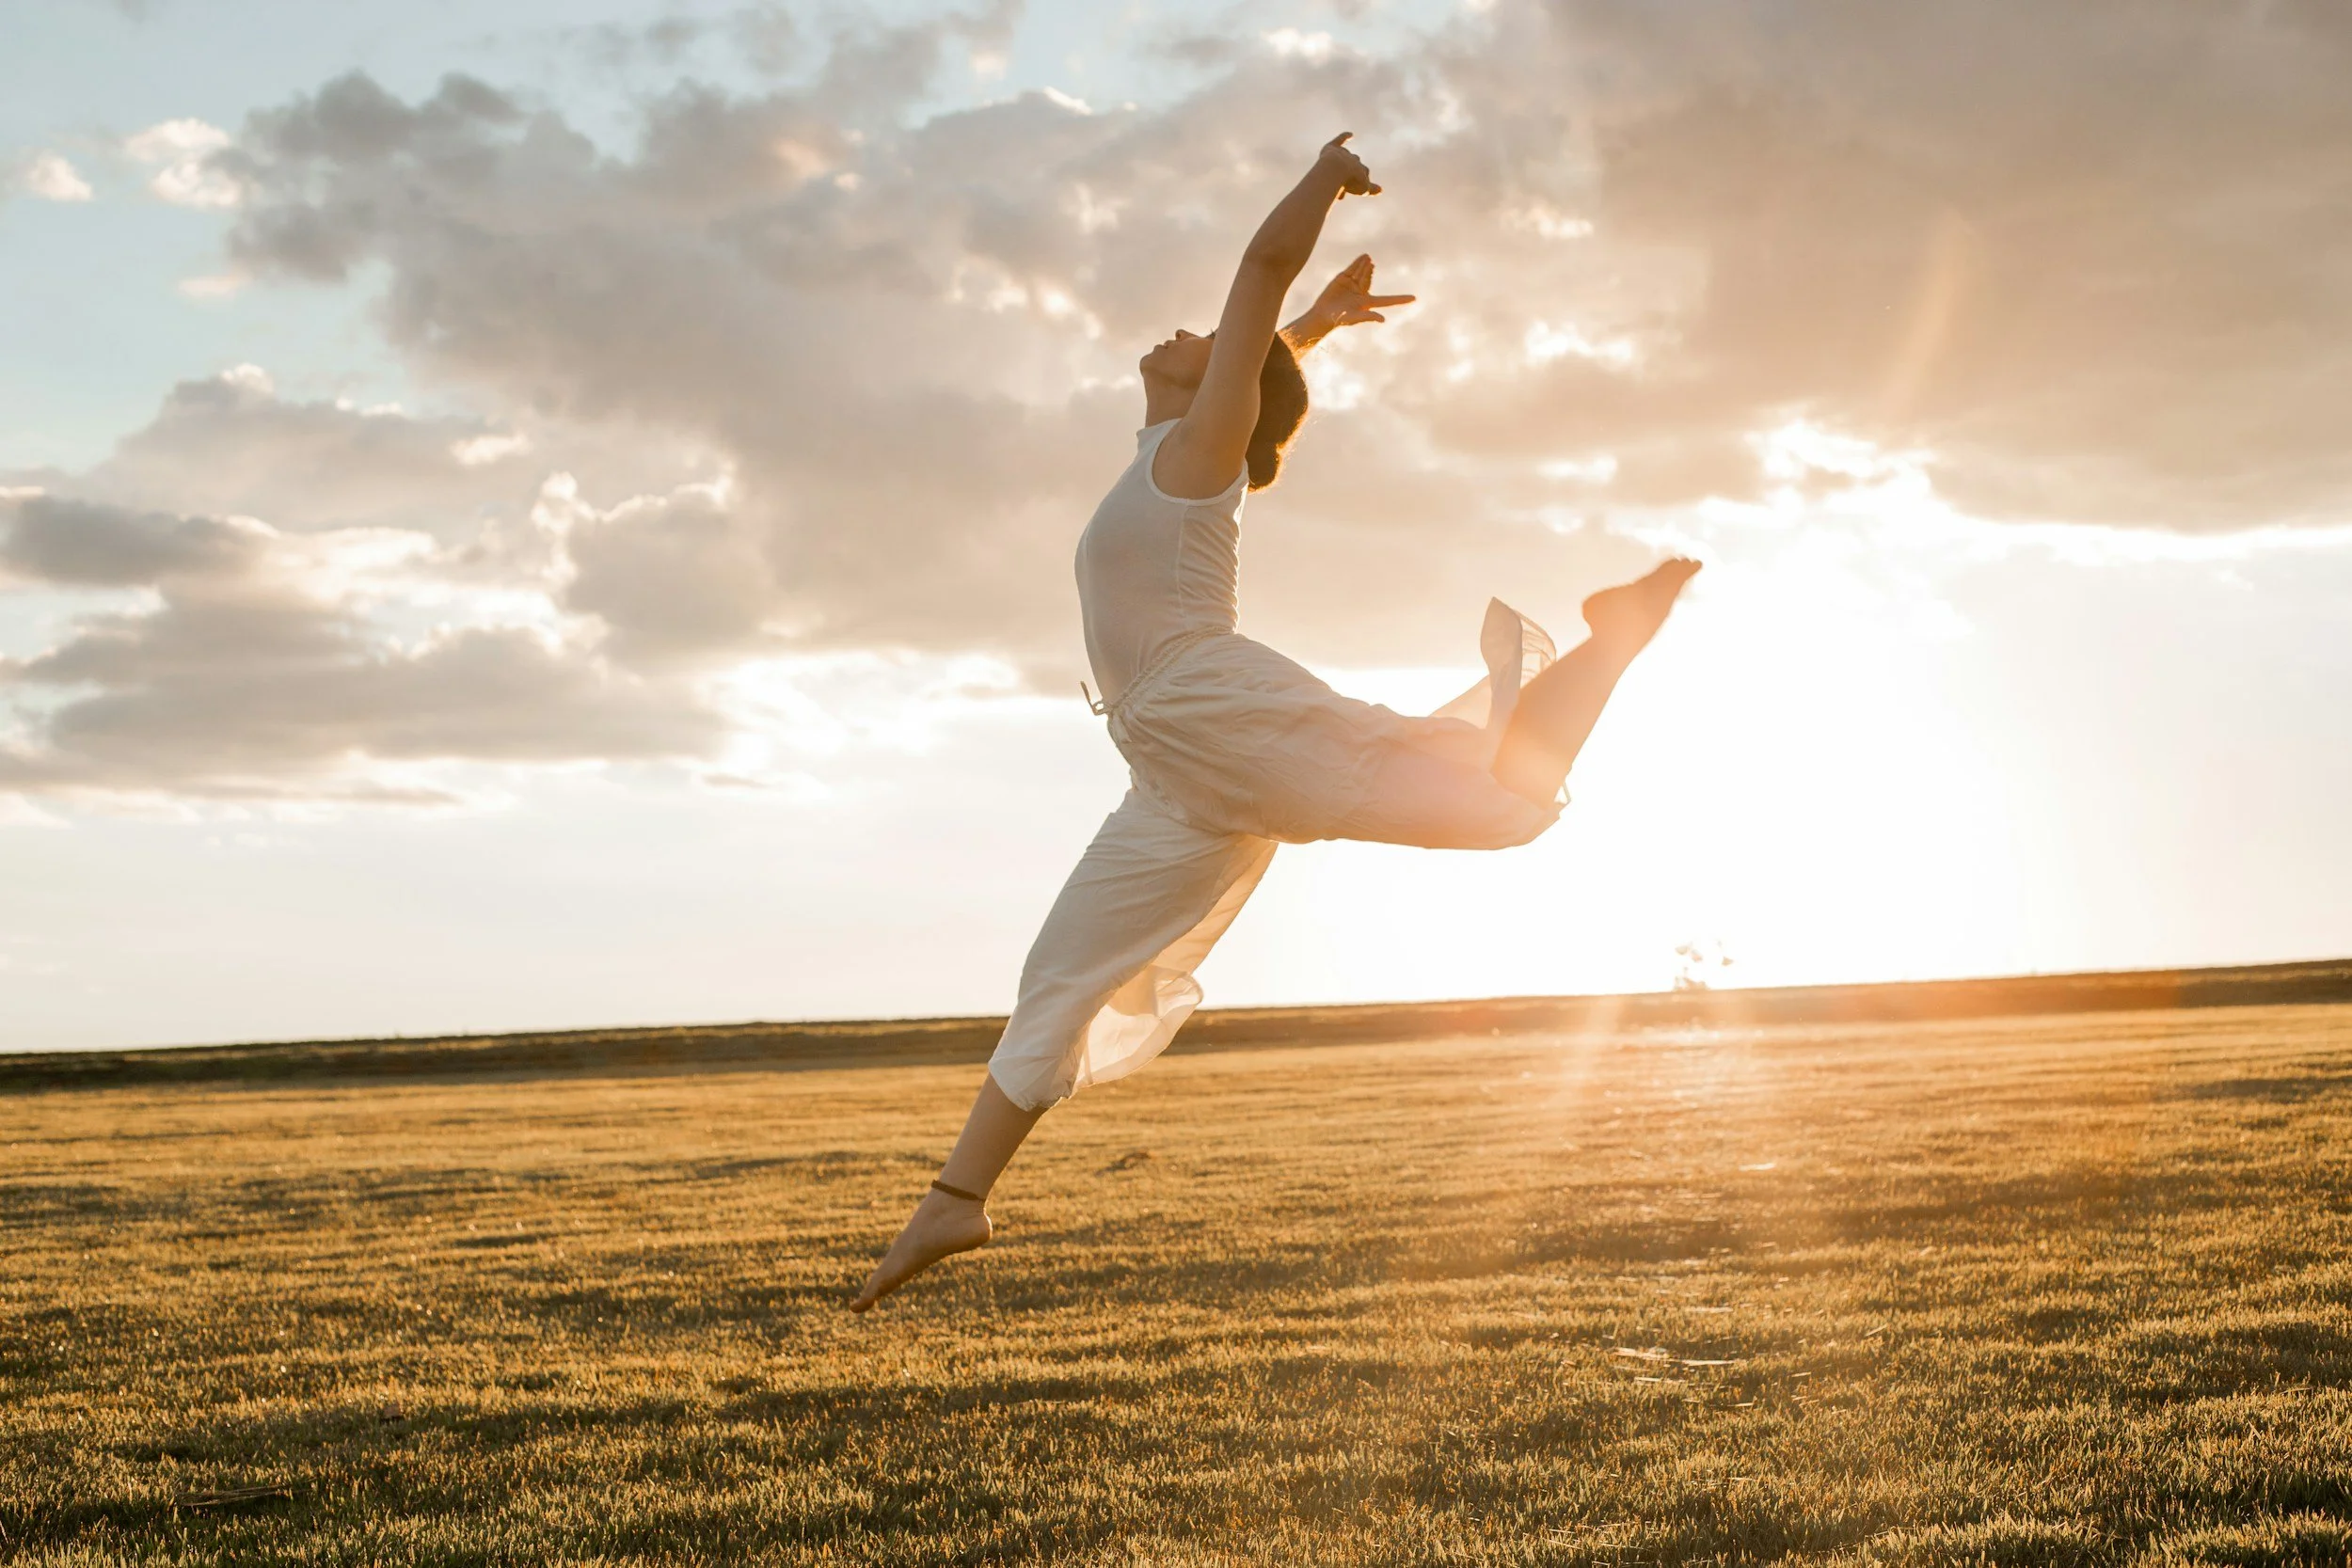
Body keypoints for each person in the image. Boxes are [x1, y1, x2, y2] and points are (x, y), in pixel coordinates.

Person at [850, 134, 1698, 1312]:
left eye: (1211, 351)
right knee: (1060, 976)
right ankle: (957, 1200)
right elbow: (1259, 354)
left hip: (1216, 712)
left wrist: (1319, 185)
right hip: (1173, 771)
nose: (1183, 339)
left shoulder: (1196, 460)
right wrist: (1321, 328)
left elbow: (1253, 281)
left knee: (1500, 802)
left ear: (1222, 396)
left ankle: (1612, 637)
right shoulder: (1175, 446)